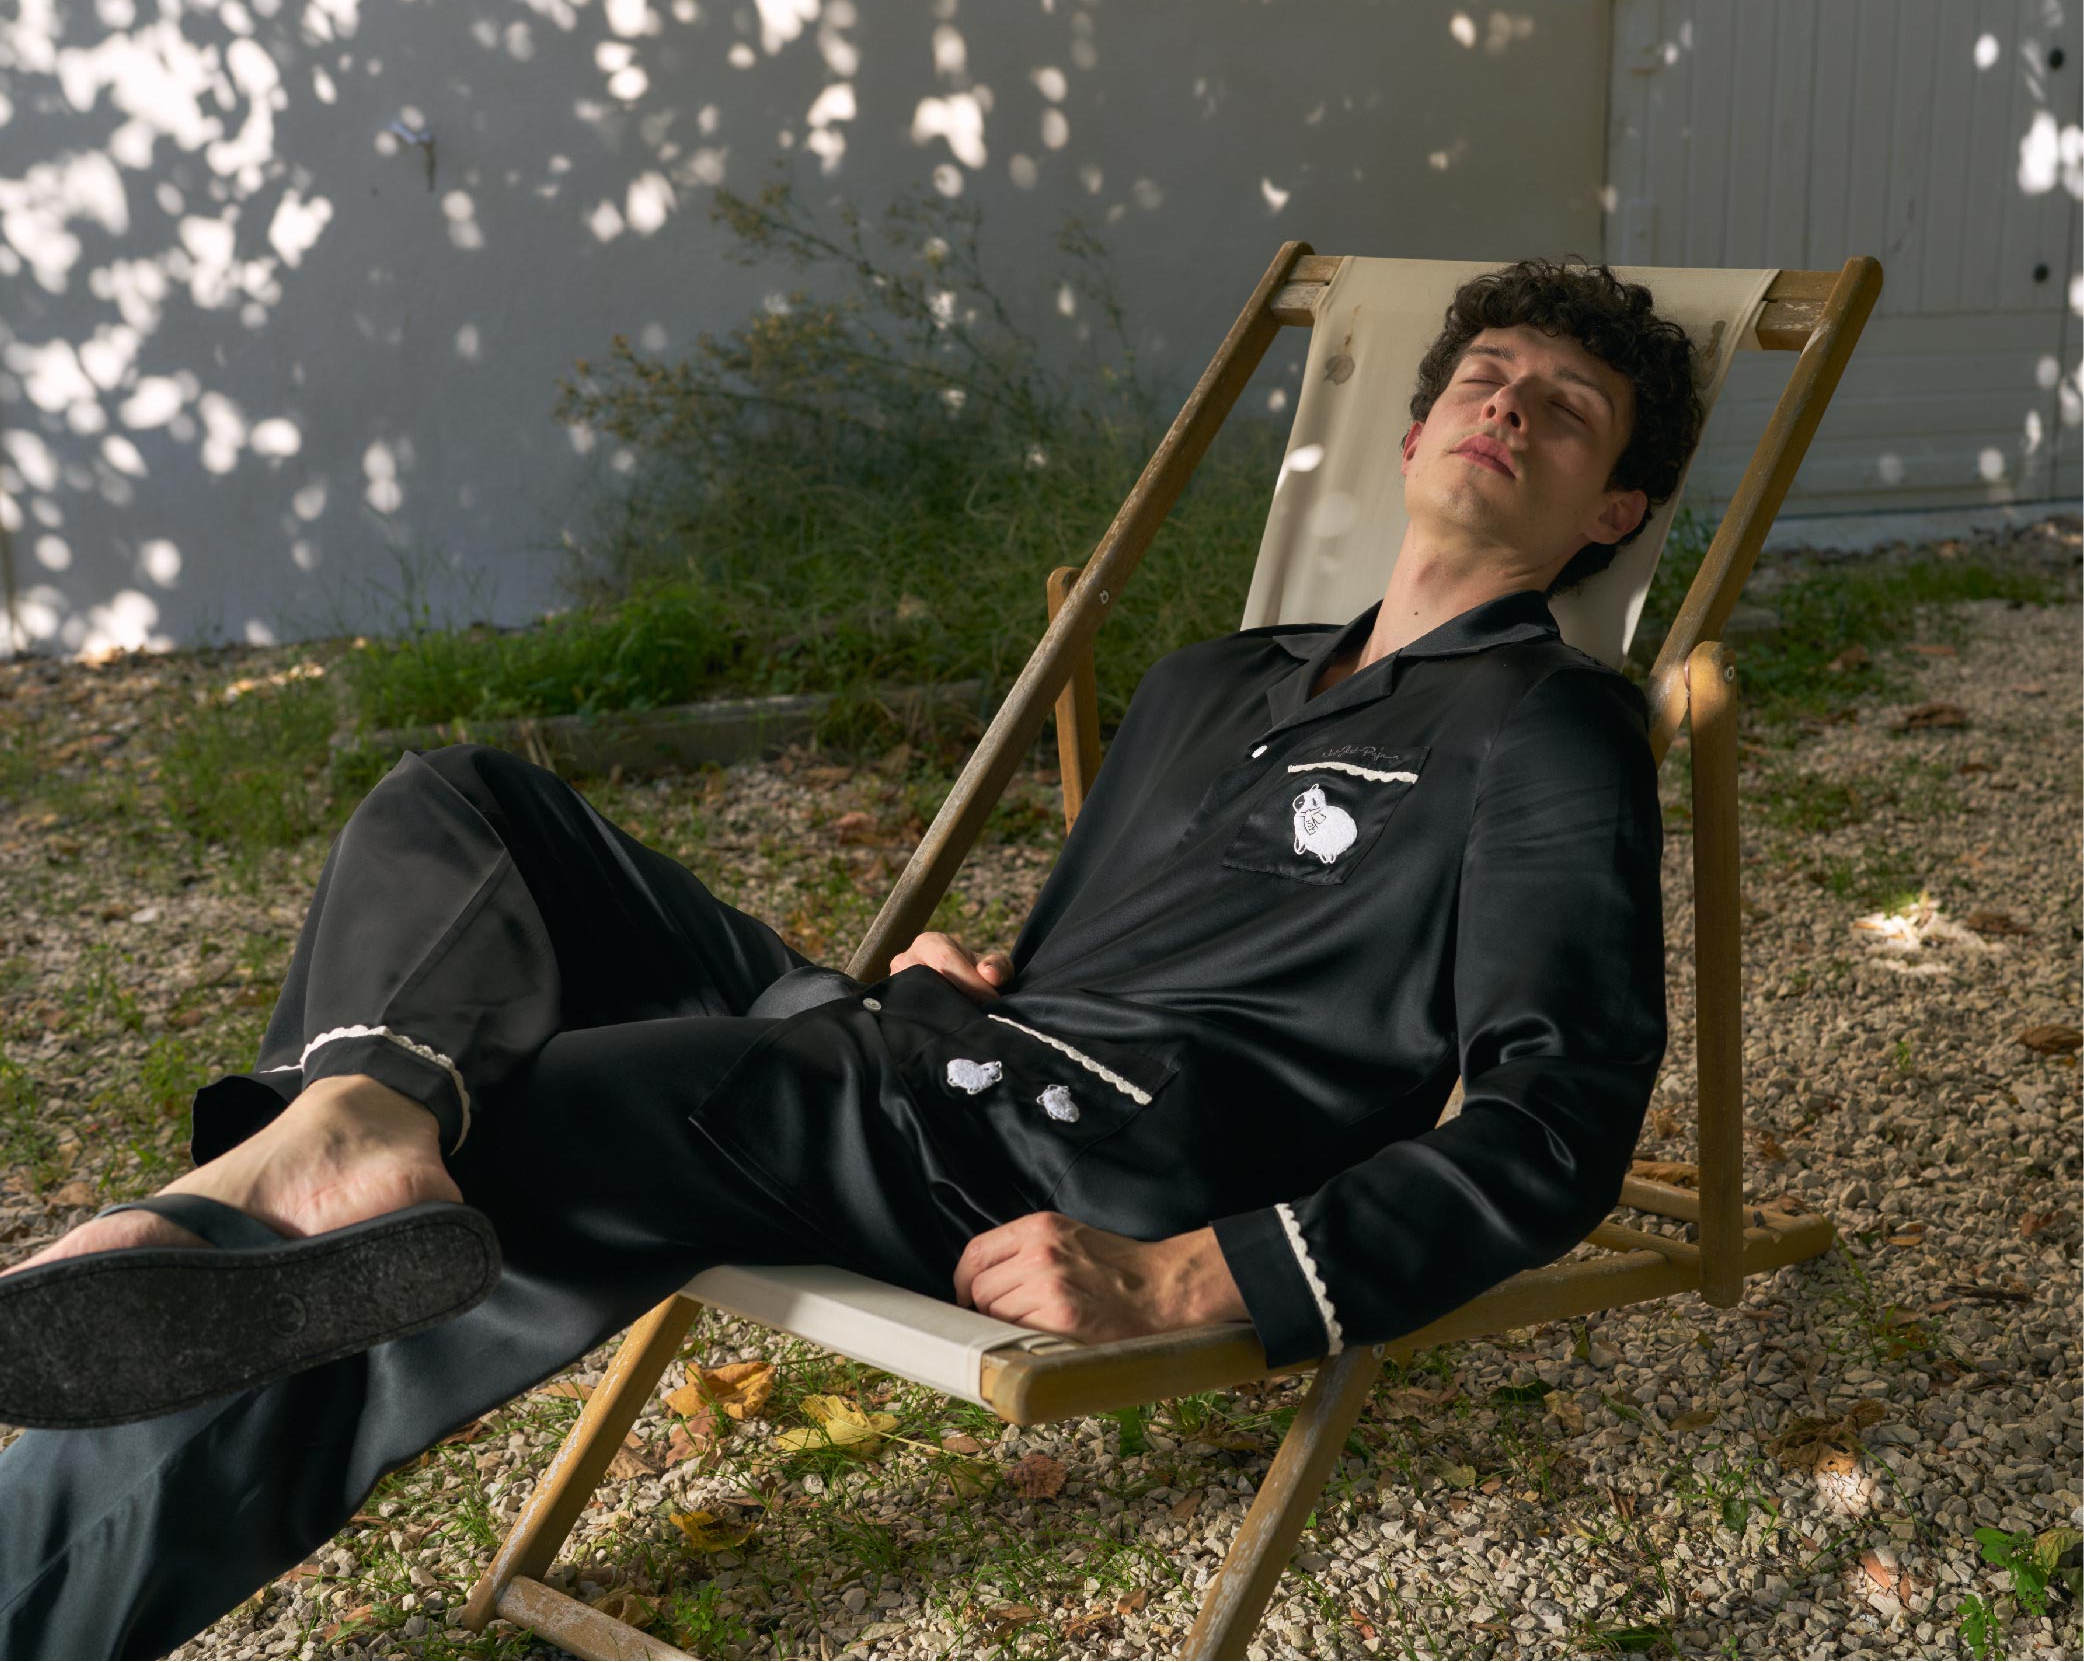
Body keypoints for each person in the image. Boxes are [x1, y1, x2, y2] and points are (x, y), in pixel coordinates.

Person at [0, 257, 1699, 1657]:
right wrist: (978, 975)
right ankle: (356, 1117)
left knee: (523, 1134)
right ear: (1412, 433)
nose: (1508, 408)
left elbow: (1558, 1121)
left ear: (1612, 510)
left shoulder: (1550, 726)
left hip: (1080, 1155)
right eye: (1486, 378)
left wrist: (1198, 1280)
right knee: (467, 803)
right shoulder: (1212, 680)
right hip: (934, 1063)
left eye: (1565, 410)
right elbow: (1116, 951)